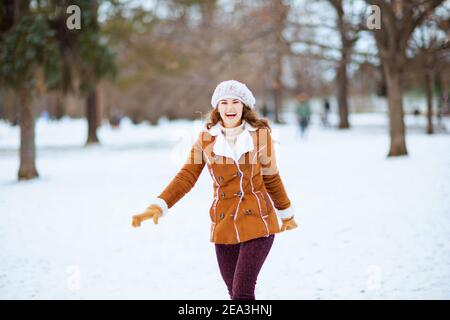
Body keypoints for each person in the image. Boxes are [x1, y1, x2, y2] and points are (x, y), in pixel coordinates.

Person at [131, 80, 298, 300]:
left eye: (236, 102)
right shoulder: (206, 140)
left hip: (259, 222)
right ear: (217, 108)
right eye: (224, 102)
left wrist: (286, 213)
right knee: (234, 293)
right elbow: (186, 176)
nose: (230, 108)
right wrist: (159, 205)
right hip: (224, 226)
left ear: (244, 106)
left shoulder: (260, 136)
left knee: (243, 293)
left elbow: (271, 177)